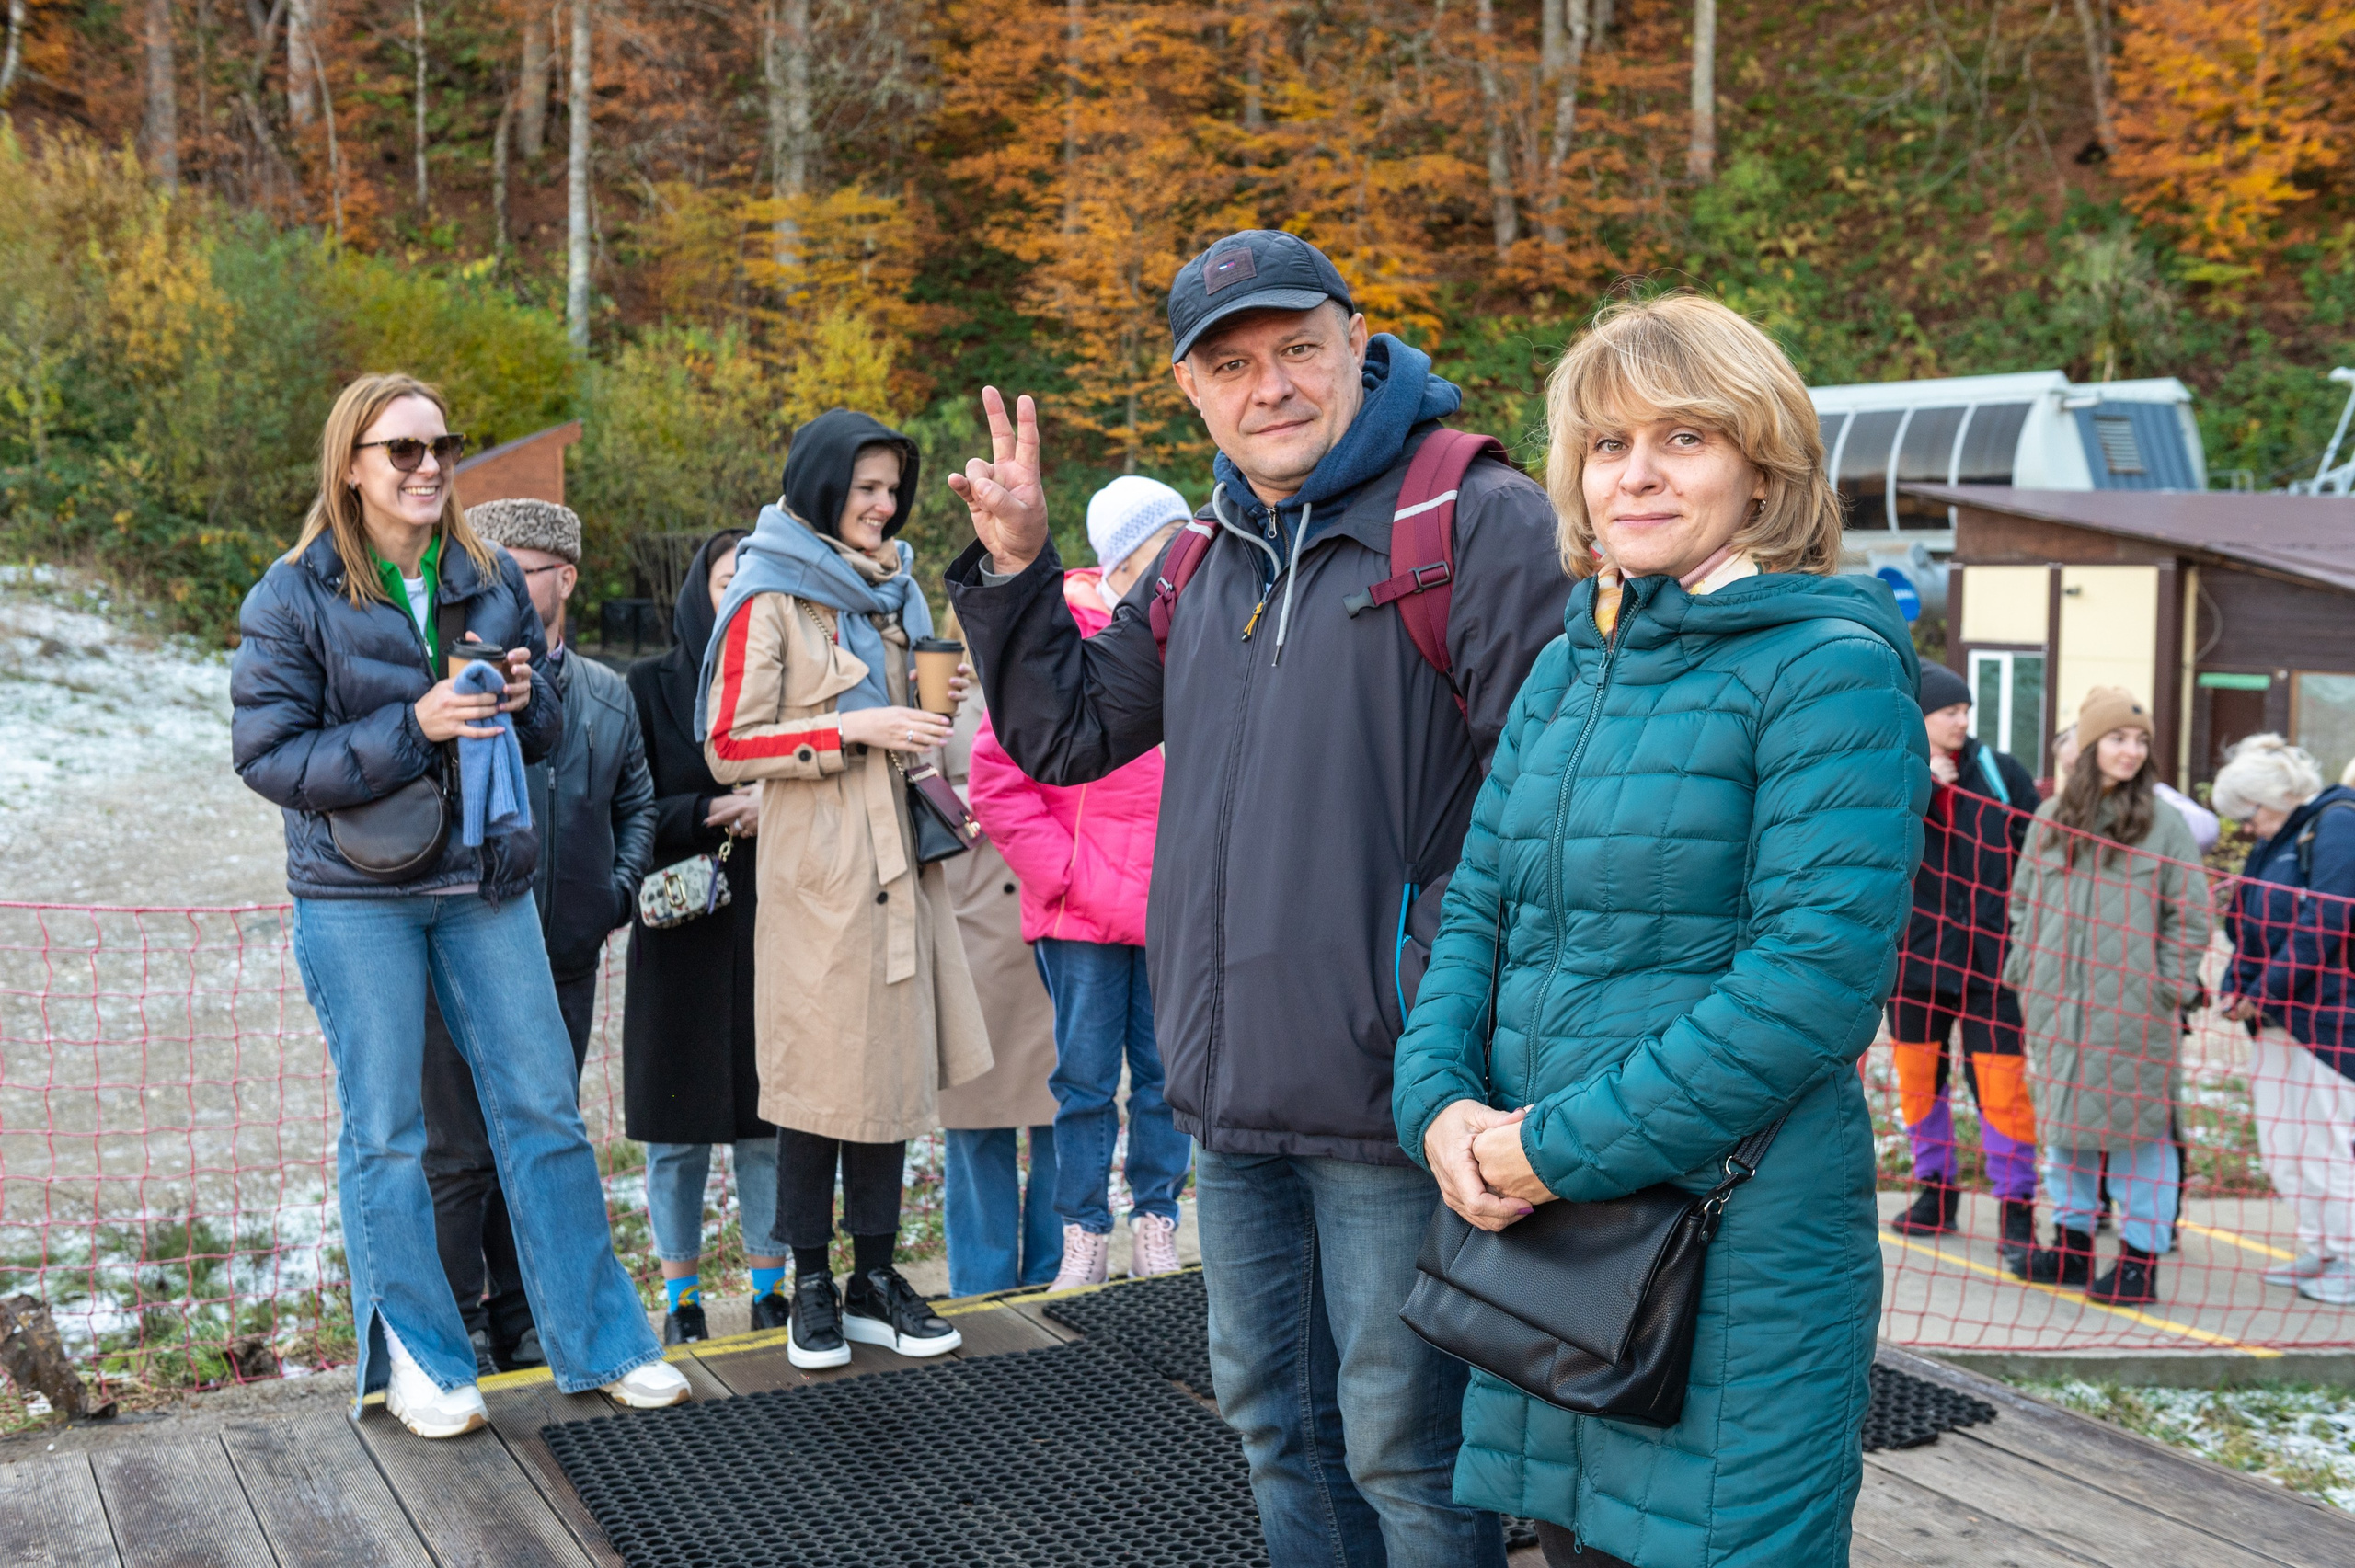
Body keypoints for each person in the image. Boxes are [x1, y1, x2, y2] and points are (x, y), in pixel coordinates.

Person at [948, 230, 1570, 1568]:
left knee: (1409, 1452)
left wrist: (1429, 1001)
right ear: (1191, 392)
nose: (1269, 385)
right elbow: (1062, 736)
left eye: (1296, 348)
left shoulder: (1470, 517)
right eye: (1230, 364)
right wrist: (1014, 564)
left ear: (1358, 340)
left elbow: (1548, 810)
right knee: (1276, 1428)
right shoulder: (1199, 558)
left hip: (1398, 1093)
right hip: (1226, 1096)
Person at [1393, 293, 1927, 1568]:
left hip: (1727, 1255)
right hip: (1554, 1245)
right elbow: (1480, 905)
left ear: (1760, 468)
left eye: (1683, 439)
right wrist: (1439, 1104)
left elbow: (1809, 985)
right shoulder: (1571, 662)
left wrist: (1549, 1150)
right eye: (1607, 442)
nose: (1635, 472)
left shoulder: (1829, 665)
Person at [231, 372, 688, 1437]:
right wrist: (415, 725)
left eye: (442, 445)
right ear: (352, 466)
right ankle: (419, 1362)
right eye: (403, 449)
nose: (430, 465)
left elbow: (529, 740)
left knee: (543, 1113)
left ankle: (604, 1344)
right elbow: (267, 756)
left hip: (486, 879)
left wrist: (523, 711)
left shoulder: (488, 580)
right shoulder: (291, 596)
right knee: (388, 1135)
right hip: (358, 897)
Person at [700, 407, 993, 1370]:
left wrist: (934, 743)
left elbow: (917, 721)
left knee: (891, 1072)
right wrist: (851, 734)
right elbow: (726, 743)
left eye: (890, 488)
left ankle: (875, 1277)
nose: (883, 504)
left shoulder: (893, 593)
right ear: (823, 486)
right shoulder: (766, 593)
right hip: (818, 868)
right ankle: (811, 1287)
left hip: (902, 861)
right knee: (817, 1079)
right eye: (865, 488)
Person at [418, 498, 657, 1373]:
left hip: (566, 951)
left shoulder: (604, 694)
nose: (508, 579)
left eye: (525, 563)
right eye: (496, 562)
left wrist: (614, 895)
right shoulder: (446, 673)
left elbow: (635, 802)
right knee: (459, 1145)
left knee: (543, 1135)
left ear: (567, 576)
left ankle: (526, 1315)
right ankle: (462, 1319)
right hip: (464, 940)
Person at [967, 476, 1189, 1290]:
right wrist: (1064, 877)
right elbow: (998, 780)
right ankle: (1084, 1231)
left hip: (1171, 909)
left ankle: (1158, 1222)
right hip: (1081, 912)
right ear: (1124, 560)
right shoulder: (1061, 642)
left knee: (1170, 1079)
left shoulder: (1194, 634)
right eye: (1166, 550)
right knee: (1084, 1082)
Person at [624, 529, 788, 1344]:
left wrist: (780, 806)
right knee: (676, 1131)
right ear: (701, 589)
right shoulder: (649, 685)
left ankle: (770, 1286)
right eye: (730, 579)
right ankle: (682, 1298)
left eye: (755, 581)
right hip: (678, 921)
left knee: (768, 1120)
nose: (741, 594)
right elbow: (627, 805)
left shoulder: (784, 683)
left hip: (772, 920)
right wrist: (717, 810)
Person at [2005, 687, 2211, 1305]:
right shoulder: (2049, 819)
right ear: (2090, 744)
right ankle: (2069, 1244)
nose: (2130, 750)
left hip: (2133, 1011)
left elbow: (2191, 917)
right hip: (2056, 1006)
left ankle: (2139, 1259)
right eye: (2119, 737)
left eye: (2140, 740)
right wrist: (2028, 970)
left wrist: (2166, 986)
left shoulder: (2163, 824)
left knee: (2138, 1136)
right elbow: (2021, 904)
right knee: (2066, 1127)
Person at [1885, 664, 2041, 1265]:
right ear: (1918, 716)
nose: (1961, 720)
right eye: (1949, 710)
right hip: (1915, 964)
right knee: (1920, 1083)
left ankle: (2016, 1210)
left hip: (1993, 965)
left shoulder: (2003, 774)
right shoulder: (1893, 773)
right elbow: (1874, 844)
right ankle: (1935, 1192)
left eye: (1965, 711)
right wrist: (1918, 786)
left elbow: (2038, 847)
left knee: (2003, 1090)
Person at [936, 644, 1065, 1299]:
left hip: (1058, 920)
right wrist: (978, 797)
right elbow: (909, 795)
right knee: (976, 1122)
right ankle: (982, 1291)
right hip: (975, 930)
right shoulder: (941, 689)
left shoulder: (1060, 672)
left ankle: (1058, 1278)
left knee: (1062, 1116)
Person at [2213, 734, 2355, 1306]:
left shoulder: (2338, 823)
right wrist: (2235, 988)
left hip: (2328, 1018)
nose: (2246, 827)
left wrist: (2263, 990)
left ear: (2272, 798)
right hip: (2274, 1018)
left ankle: (2349, 1252)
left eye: (2248, 814)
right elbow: (2243, 921)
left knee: (2326, 1140)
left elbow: (2326, 921)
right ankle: (2320, 1242)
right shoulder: (2275, 839)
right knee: (2283, 1141)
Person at [2053, 722, 2220, 853]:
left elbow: (2207, 829)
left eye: (2078, 767)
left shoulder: (2156, 799)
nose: (2075, 777)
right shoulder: (2063, 812)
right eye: (2069, 771)